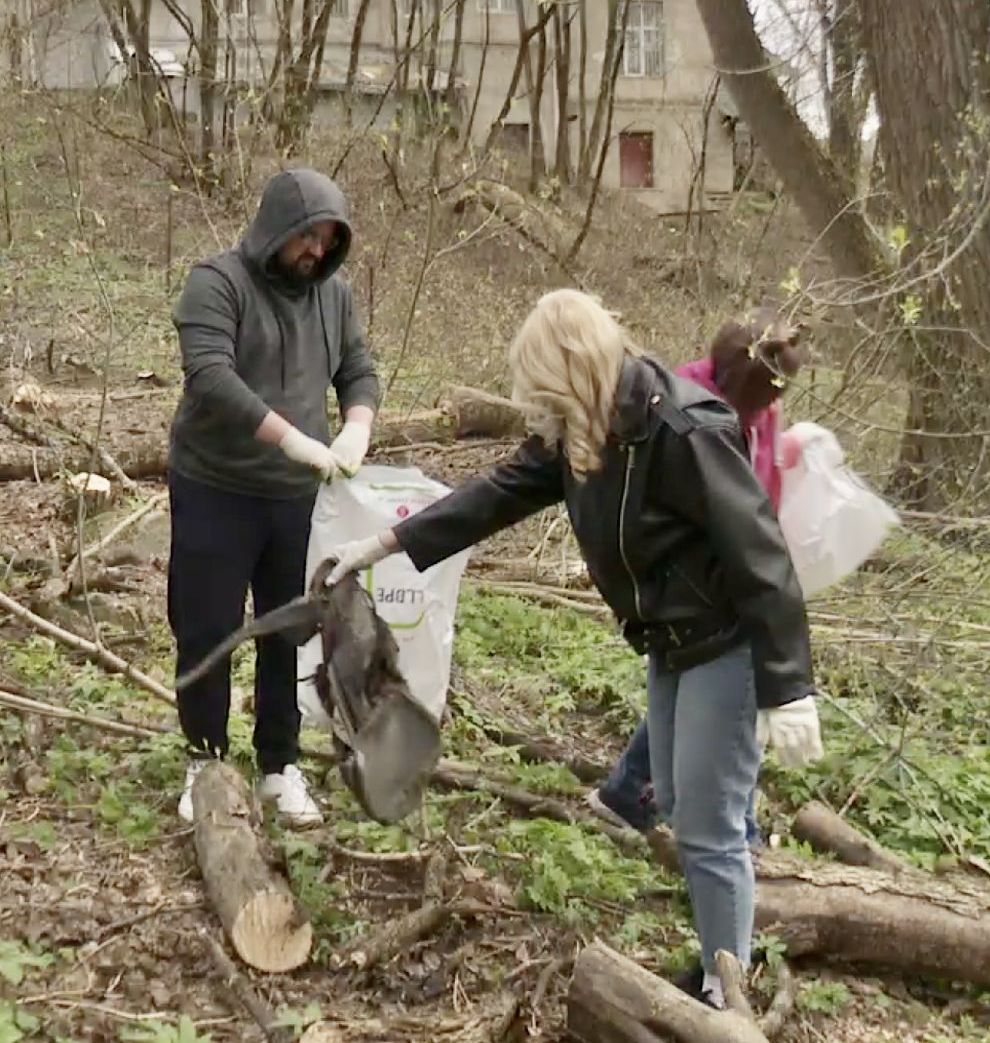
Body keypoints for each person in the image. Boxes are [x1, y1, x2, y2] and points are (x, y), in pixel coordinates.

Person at [321, 289, 822, 1004]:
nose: (535, 407)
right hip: (672, 643)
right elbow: (496, 493)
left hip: (726, 642)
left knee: (710, 823)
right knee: (678, 800)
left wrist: (787, 684)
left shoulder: (679, 429)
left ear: (572, 367)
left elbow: (759, 554)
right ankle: (721, 961)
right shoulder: (586, 428)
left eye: (541, 386)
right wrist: (385, 542)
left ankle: (723, 990)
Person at [168, 168, 380, 827]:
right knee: (208, 624)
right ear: (275, 230)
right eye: (305, 237)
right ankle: (204, 760)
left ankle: (277, 766)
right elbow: (209, 375)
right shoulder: (216, 283)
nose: (314, 251)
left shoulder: (333, 297)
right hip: (215, 486)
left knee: (289, 628)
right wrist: (288, 437)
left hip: (297, 498)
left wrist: (355, 426)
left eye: (326, 240)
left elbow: (357, 368)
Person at [588, 308, 809, 837]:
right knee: (713, 702)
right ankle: (720, 824)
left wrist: (786, 459)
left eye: (772, 403)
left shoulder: (759, 406)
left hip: (733, 579)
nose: (766, 411)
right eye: (759, 402)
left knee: (712, 705)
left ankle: (656, 800)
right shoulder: (682, 405)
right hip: (689, 589)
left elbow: (752, 495)